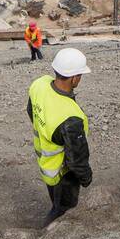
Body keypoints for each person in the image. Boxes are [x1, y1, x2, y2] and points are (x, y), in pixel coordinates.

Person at [27, 48, 91, 225]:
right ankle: (50, 232)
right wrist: (86, 178)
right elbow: (77, 159)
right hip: (62, 173)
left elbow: (30, 111)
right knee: (64, 209)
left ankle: (54, 211)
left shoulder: (39, 84)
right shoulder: (71, 118)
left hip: (45, 163)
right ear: (74, 78)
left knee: (55, 198)